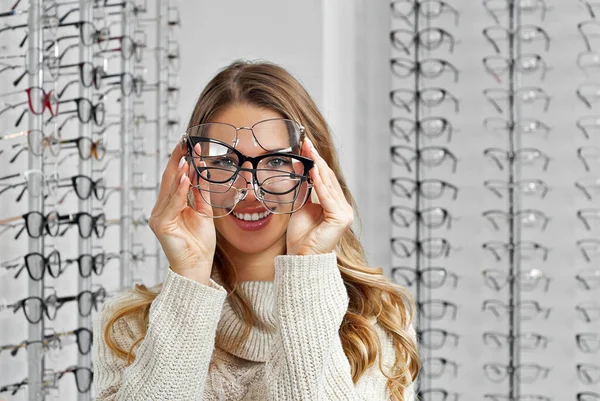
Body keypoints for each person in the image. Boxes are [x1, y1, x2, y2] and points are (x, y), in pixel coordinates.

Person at [92, 60, 420, 401]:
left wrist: (307, 269)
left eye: (276, 162)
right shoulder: (130, 324)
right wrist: (189, 277)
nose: (249, 190)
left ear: (315, 173)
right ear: (191, 172)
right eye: (224, 163)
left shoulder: (375, 323)